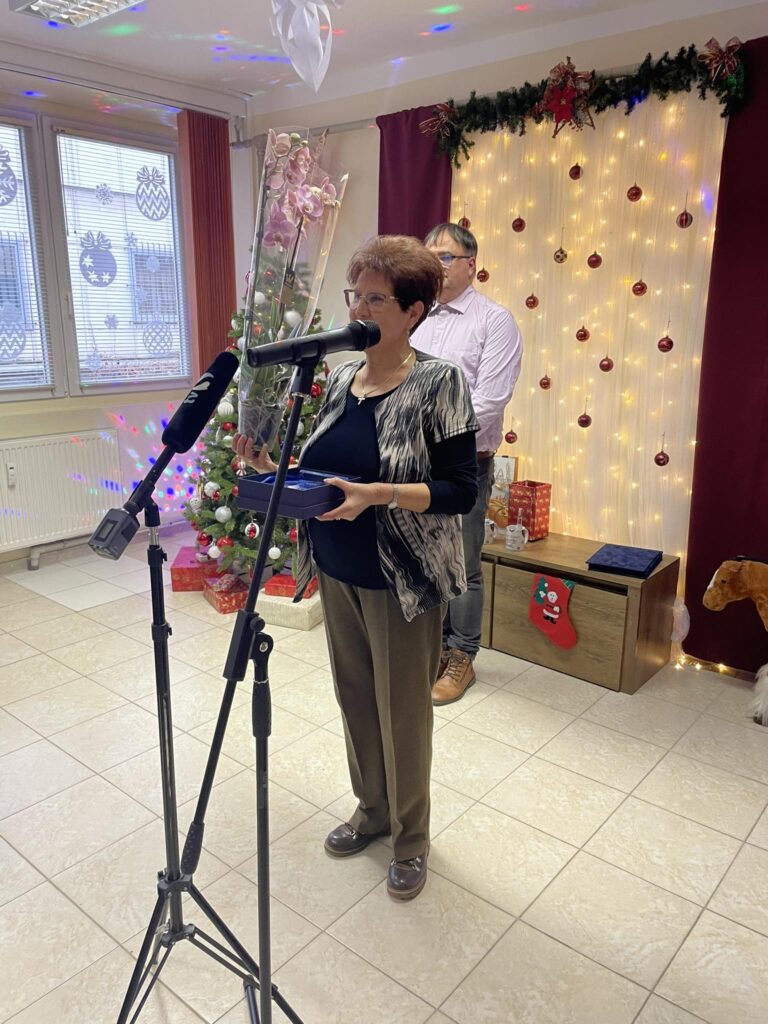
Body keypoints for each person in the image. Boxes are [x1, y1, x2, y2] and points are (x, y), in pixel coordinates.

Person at [233, 235, 478, 901]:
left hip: (402, 578)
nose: (359, 310)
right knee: (356, 700)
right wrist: (269, 467)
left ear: (413, 311)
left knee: (403, 714)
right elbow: (323, 469)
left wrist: (380, 494)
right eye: (356, 295)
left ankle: (410, 838)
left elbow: (460, 491)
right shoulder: (342, 379)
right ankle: (371, 811)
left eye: (375, 299)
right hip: (338, 567)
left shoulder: (439, 383)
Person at [412, 222, 522, 706]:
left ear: (471, 264)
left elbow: (489, 402)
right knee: (424, 558)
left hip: (463, 463)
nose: (436, 265)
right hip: (412, 464)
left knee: (462, 565)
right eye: (429, 256)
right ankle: (432, 649)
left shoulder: (494, 321)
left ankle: (462, 656)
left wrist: (427, 435)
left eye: (445, 256)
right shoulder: (416, 317)